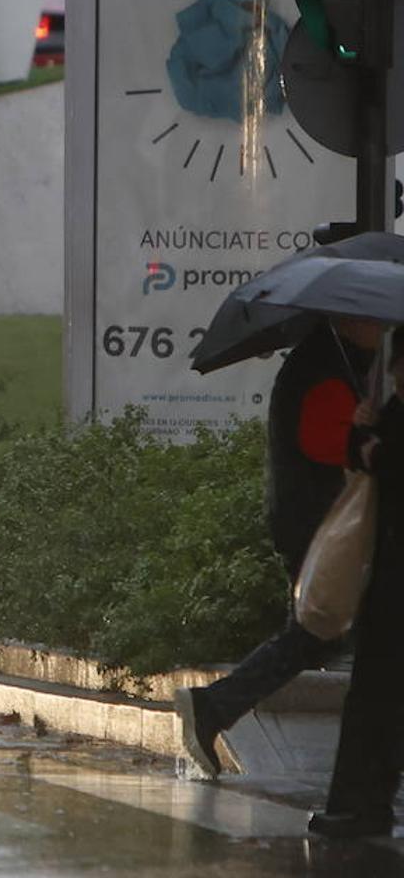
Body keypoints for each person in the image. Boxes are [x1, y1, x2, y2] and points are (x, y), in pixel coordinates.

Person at [175, 317, 383, 777]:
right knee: (320, 628)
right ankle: (215, 704)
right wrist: (365, 443)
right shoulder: (326, 367)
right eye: (377, 321)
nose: (383, 326)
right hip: (323, 521)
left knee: (321, 632)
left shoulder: (334, 359)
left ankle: (216, 705)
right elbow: (324, 440)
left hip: (314, 515)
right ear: (354, 317)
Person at [310, 331, 404, 838]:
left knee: (380, 695)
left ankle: (365, 803)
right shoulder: (389, 410)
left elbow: (384, 464)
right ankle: (357, 804)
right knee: (372, 693)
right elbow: (360, 461)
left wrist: (377, 451)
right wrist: (361, 434)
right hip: (386, 575)